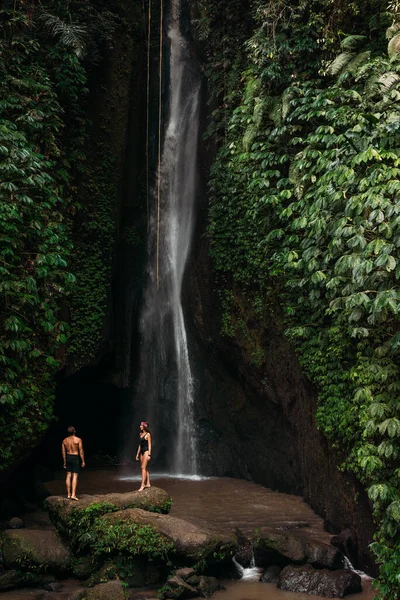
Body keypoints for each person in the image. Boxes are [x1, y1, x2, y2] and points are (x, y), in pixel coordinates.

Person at [62, 426, 85, 500]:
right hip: (75, 457)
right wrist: (83, 461)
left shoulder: (64, 440)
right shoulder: (78, 440)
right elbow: (81, 451)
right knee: (75, 476)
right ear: (74, 431)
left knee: (68, 475)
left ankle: (68, 494)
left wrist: (65, 462)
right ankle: (73, 494)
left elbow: (63, 452)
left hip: (68, 457)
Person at [135, 421, 152, 491]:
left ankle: (142, 485)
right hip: (141, 452)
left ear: (144, 426)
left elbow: (149, 445)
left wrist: (149, 454)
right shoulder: (141, 434)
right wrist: (137, 453)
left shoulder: (148, 434)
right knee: (145, 468)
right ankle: (148, 483)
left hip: (146, 451)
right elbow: (140, 445)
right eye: (140, 425)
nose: (140, 426)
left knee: (143, 468)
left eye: (141, 425)